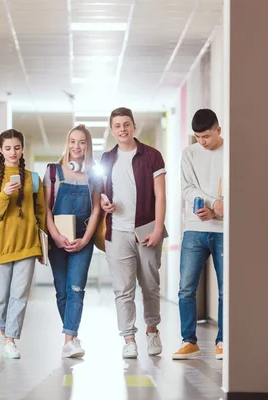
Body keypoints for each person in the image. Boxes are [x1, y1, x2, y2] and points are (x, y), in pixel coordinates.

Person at [100, 107, 167, 359]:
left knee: (150, 285)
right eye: (117, 125)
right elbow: (101, 193)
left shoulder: (151, 156)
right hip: (116, 231)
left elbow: (160, 195)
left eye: (126, 124)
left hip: (147, 228)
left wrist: (158, 228)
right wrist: (105, 203)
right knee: (123, 289)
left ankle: (152, 331)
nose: (122, 129)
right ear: (112, 129)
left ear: (134, 126)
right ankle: (128, 339)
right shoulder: (106, 159)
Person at [0, 129, 46, 359]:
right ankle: (4, 330)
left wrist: (41, 247)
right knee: (1, 296)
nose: (13, 152)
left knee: (19, 295)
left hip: (27, 244)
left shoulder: (33, 178)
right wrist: (4, 194)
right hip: (0, 245)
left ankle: (10, 339)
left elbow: (40, 213)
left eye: (17, 147)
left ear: (22, 149)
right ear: (1, 150)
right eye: (8, 148)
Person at [44, 124, 102, 358]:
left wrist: (85, 239)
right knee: (62, 291)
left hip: (82, 240)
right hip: (58, 240)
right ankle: (72, 338)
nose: (77, 147)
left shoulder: (94, 174)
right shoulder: (53, 172)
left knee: (76, 288)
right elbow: (46, 210)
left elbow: (96, 209)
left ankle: (70, 338)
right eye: (73, 141)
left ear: (88, 146)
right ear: (67, 144)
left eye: (82, 142)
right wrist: (56, 237)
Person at [172, 109, 225, 360]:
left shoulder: (231, 154)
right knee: (186, 288)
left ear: (218, 130)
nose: (202, 142)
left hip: (225, 229)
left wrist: (218, 210)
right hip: (194, 228)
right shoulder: (189, 154)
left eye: (206, 136)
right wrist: (213, 205)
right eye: (197, 137)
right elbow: (187, 189)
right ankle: (188, 341)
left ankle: (223, 340)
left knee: (227, 288)